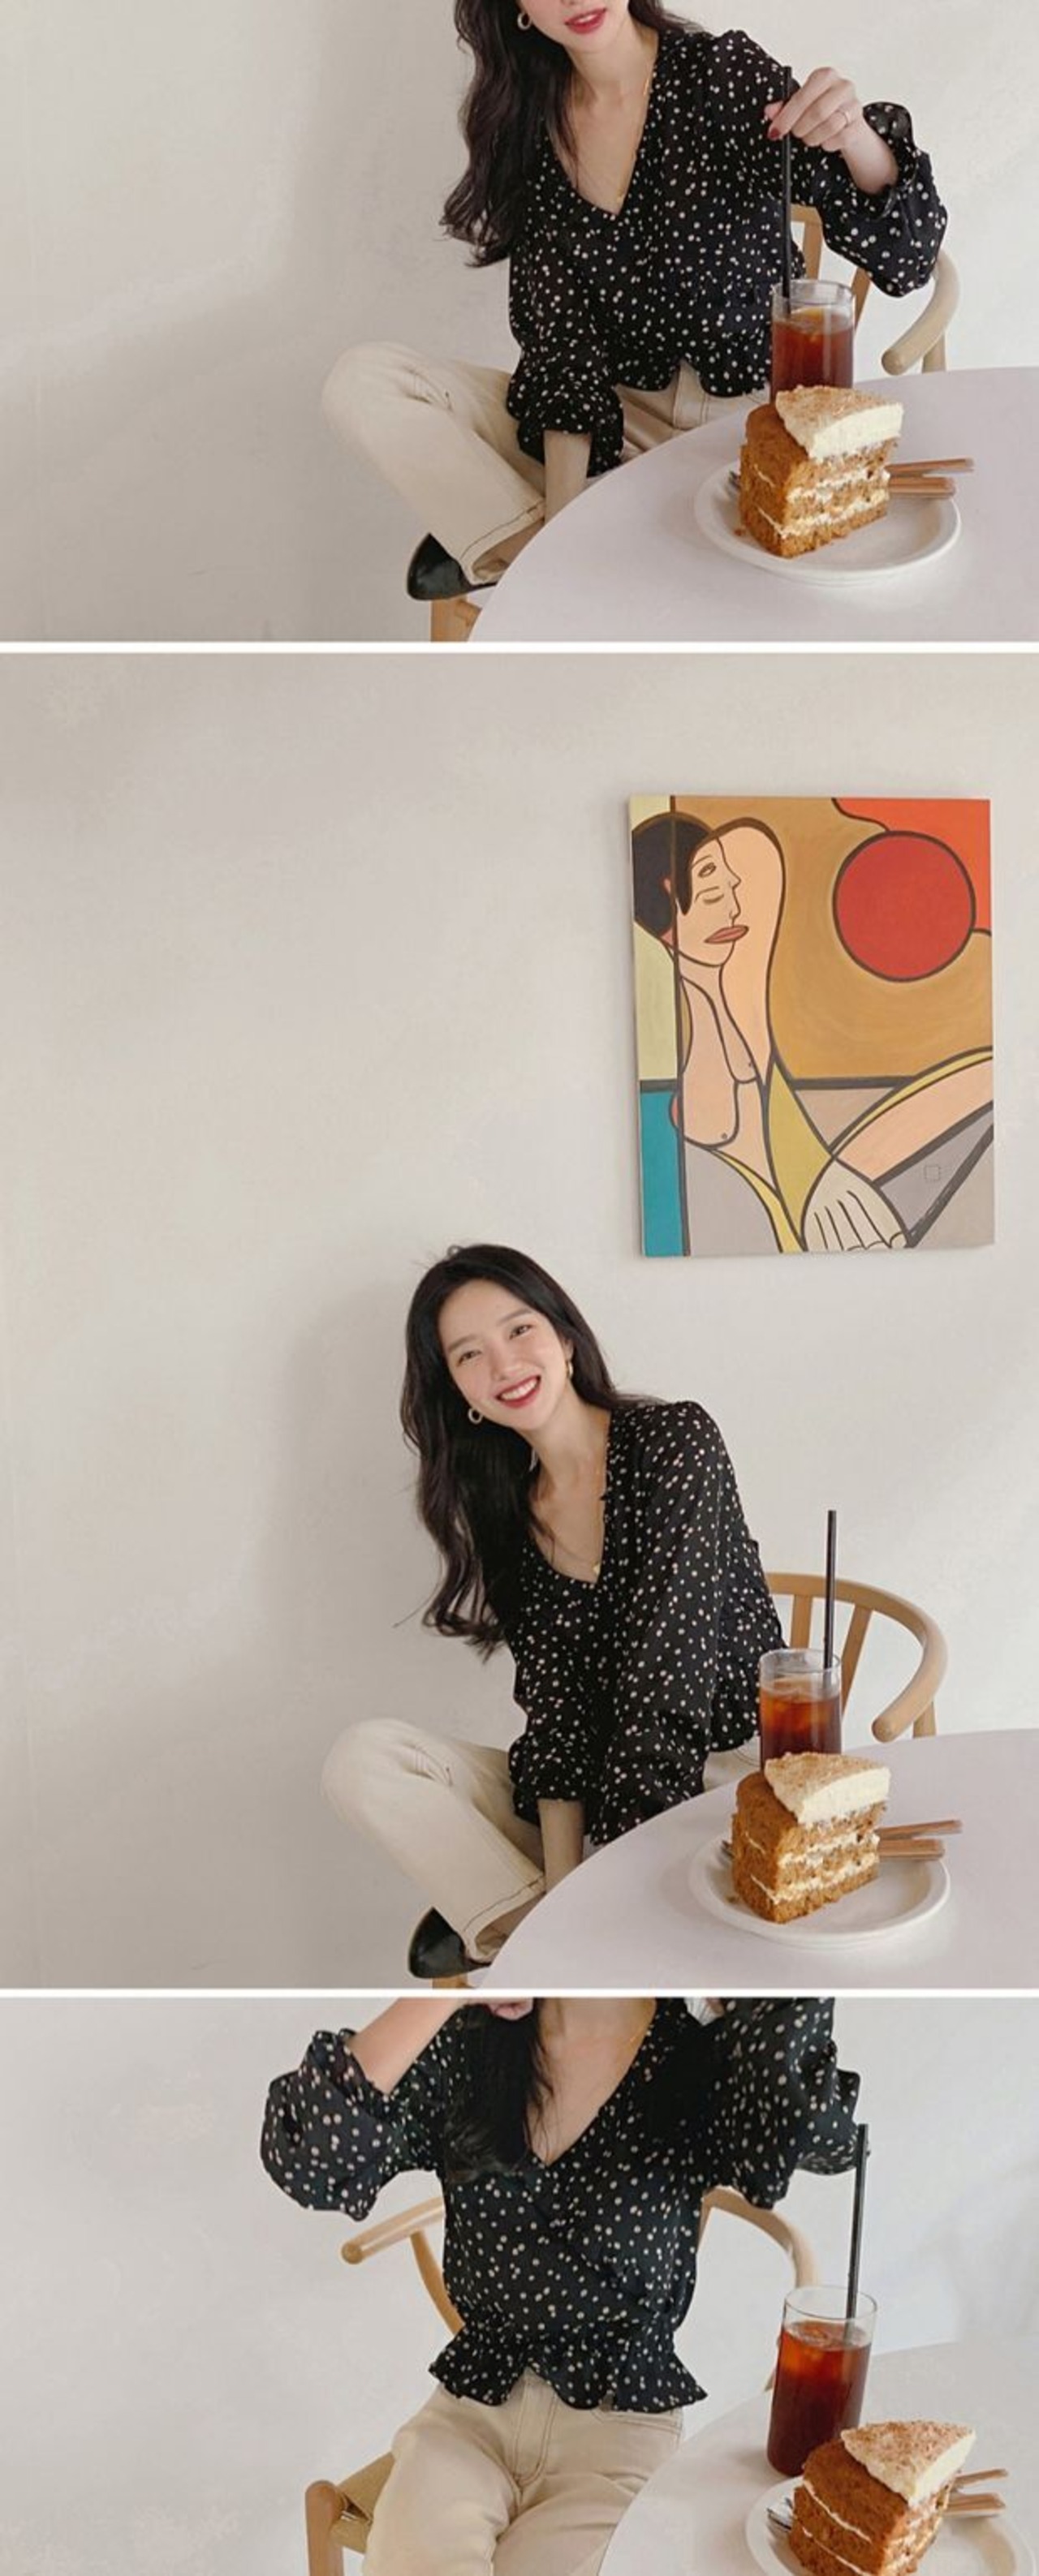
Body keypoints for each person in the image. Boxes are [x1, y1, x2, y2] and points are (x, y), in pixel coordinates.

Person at [324, 4, 947, 597]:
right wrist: (563, 517)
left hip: (745, 428)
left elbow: (907, 259)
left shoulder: (719, 78)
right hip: (614, 432)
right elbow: (563, 354)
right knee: (366, 381)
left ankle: (531, 545)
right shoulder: (532, 129)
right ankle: (551, 557)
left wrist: (855, 138)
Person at [262, 1993, 861, 2576]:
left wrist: (743, 1992)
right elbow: (309, 2157)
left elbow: (822, 2137)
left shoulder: (702, 2062)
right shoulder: (470, 2046)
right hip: (472, 2412)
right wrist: (457, 1989)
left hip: (617, 2428)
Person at [322, 1244, 782, 1971]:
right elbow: (559, 1725)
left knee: (642, 1834)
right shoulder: (510, 1518)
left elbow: (668, 1692)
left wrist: (613, 1875)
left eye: (518, 1329)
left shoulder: (673, 1443)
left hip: (717, 1783)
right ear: (460, 1392)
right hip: (600, 1803)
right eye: (469, 1354)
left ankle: (540, 1930)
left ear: (565, 1339)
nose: (503, 1364)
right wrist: (571, 1886)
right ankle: (539, 1929)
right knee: (365, 1759)